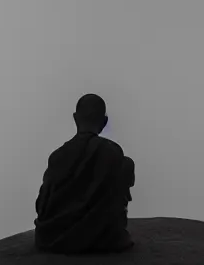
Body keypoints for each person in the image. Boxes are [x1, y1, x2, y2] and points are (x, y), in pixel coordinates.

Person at [34, 93, 135, 254]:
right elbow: (115, 199)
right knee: (126, 164)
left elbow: (42, 204)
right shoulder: (112, 152)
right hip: (96, 235)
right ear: (104, 122)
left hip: (52, 236)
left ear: (75, 118)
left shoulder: (57, 156)